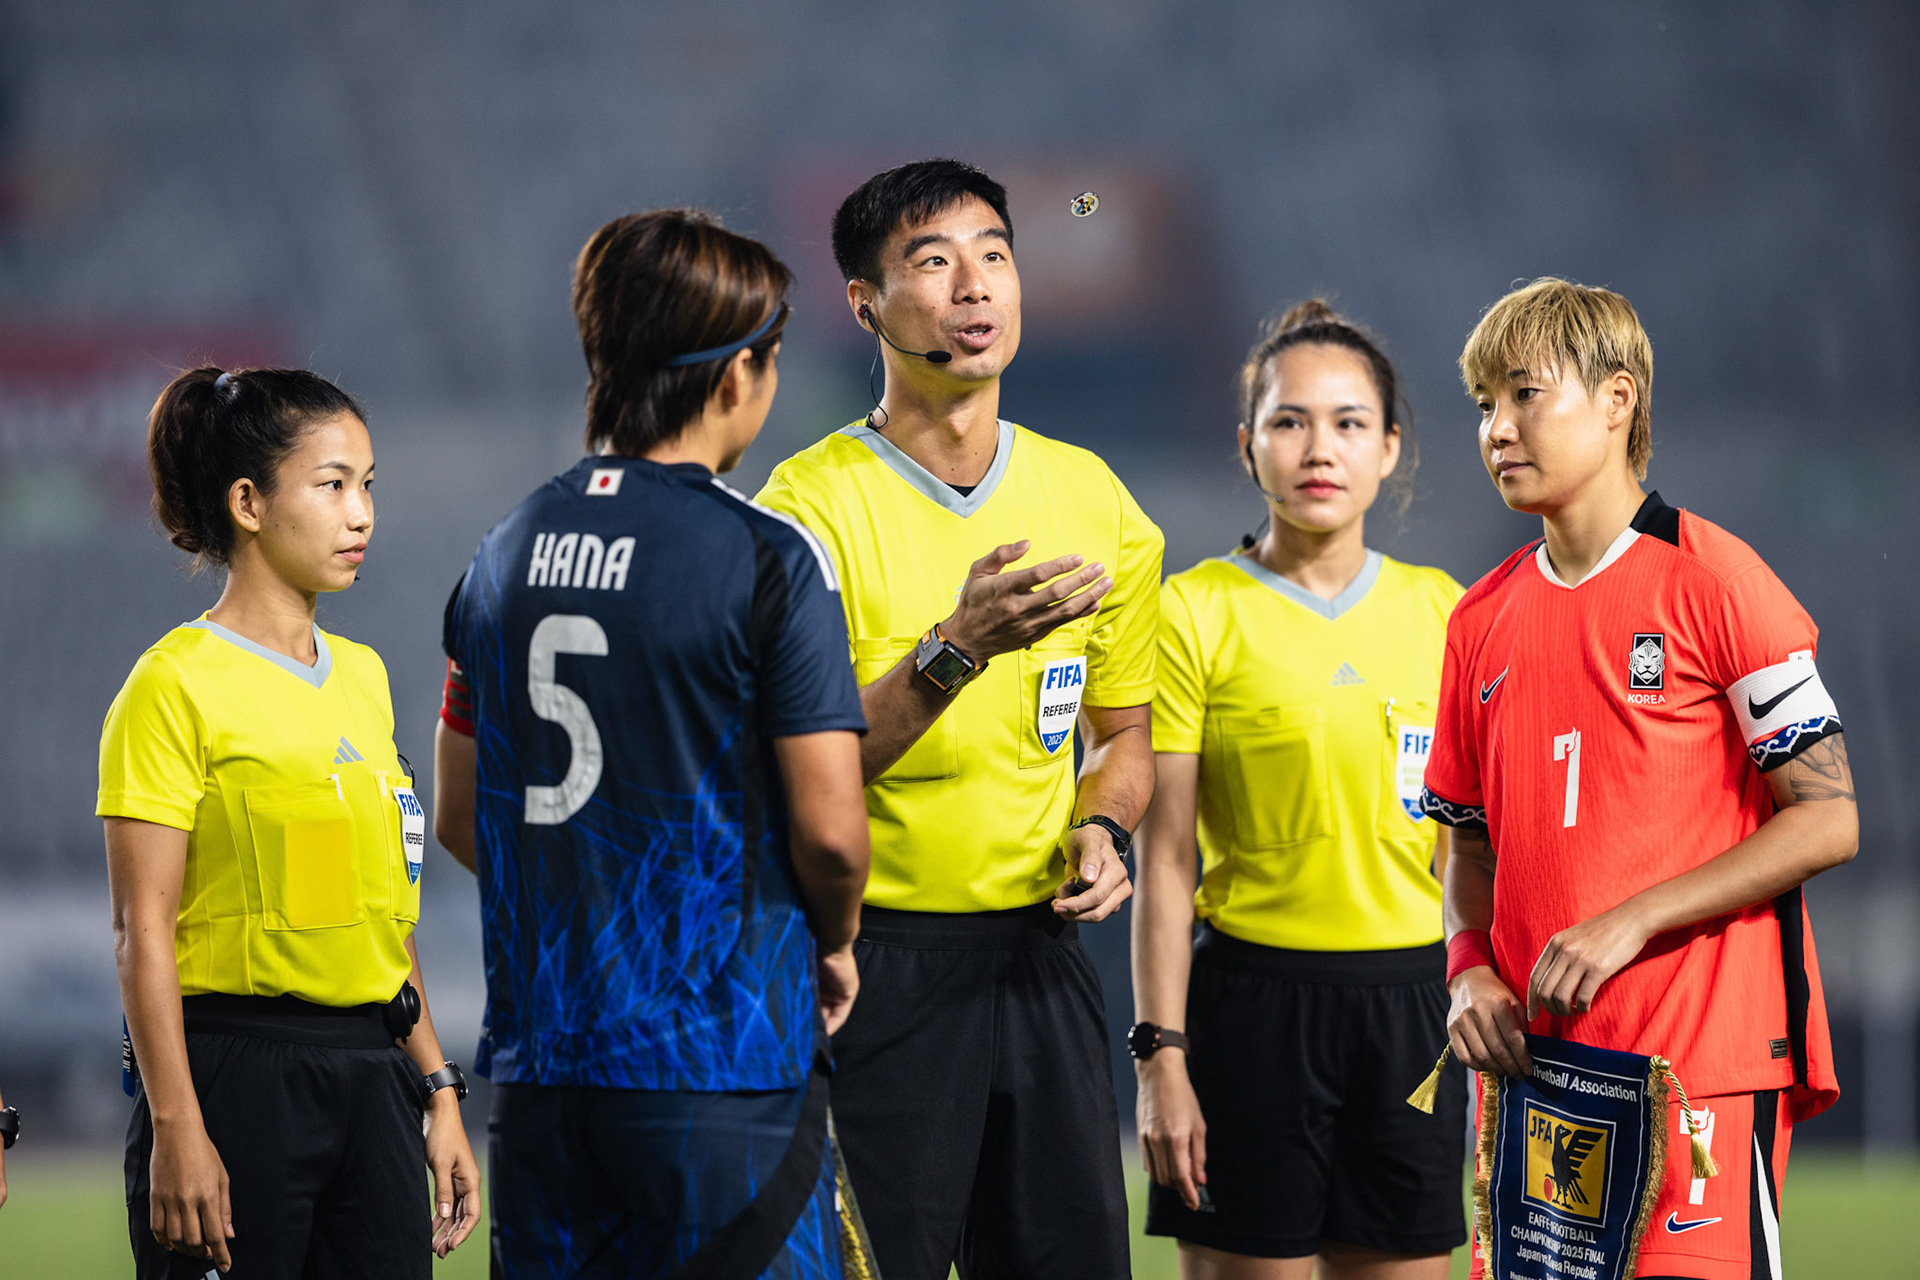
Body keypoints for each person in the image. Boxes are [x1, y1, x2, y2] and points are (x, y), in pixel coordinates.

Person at [435, 208, 872, 1279]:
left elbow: (458, 815)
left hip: (545, 1081)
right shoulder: (769, 557)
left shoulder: (502, 553)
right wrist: (839, 935)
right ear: (739, 376)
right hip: (718, 1072)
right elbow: (830, 832)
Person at [754, 158, 1163, 1280]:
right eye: (933, 262)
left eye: (994, 254)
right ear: (866, 305)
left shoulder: (1099, 502)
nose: (974, 286)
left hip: (1043, 963)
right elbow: (800, 766)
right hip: (867, 964)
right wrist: (959, 645)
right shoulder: (805, 511)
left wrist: (1105, 825)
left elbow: (1123, 737)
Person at [1424, 279, 1854, 1280]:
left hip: (1695, 1070)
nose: (1496, 427)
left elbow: (1830, 817)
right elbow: (1466, 840)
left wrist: (1632, 918)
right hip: (1537, 1080)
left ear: (1617, 400)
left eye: (1525, 394)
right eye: (1484, 402)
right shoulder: (1477, 620)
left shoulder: (1719, 579)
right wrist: (1468, 965)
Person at [98, 367, 480, 1278]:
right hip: (235, 1080)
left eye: (369, 485)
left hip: (375, 1083)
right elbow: (139, 930)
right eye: (332, 484)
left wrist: (437, 1088)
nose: (362, 515)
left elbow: (381, 922)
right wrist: (180, 1128)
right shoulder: (172, 686)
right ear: (248, 503)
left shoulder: (365, 676)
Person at [1132, 300, 1468, 1279]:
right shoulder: (1192, 611)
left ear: (1392, 447)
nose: (1319, 446)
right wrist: (1162, 1058)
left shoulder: (1448, 611)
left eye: (1349, 421)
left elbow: (1470, 850)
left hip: (1413, 1011)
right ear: (1248, 446)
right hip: (1250, 1012)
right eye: (1289, 420)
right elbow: (1165, 858)